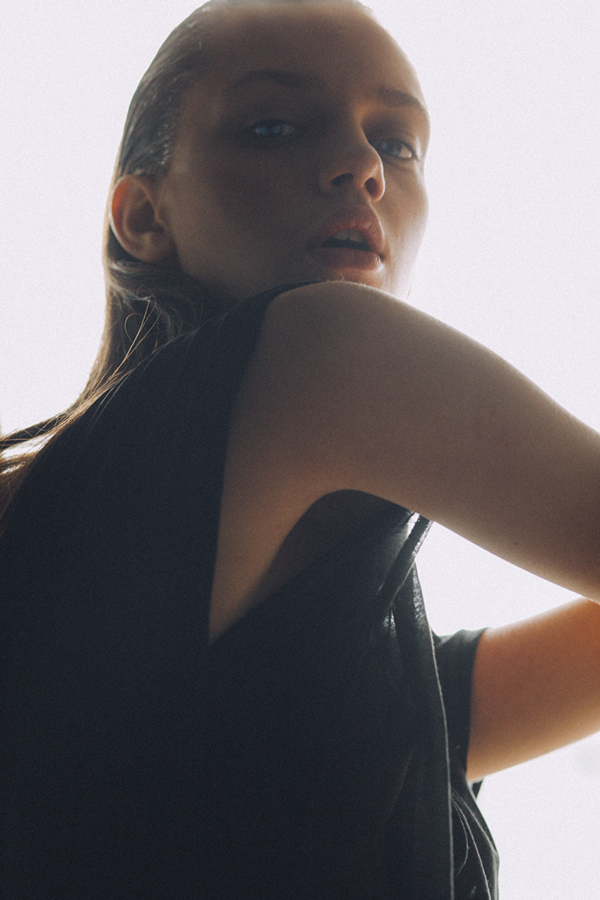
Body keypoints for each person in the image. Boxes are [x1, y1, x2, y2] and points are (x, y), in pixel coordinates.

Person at [1, 0, 599, 897]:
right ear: (143, 215)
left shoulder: (348, 700)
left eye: (396, 143)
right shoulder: (322, 348)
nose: (362, 165)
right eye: (273, 126)